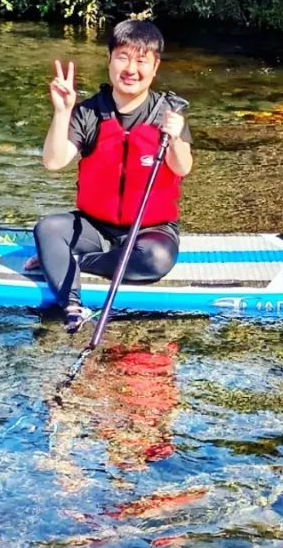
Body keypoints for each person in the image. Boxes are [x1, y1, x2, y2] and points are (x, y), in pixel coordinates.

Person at [30, 19, 193, 333]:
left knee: (155, 259)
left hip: (150, 231)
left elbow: (183, 167)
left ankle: (72, 262)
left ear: (155, 67)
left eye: (141, 60)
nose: (131, 69)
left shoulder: (168, 115)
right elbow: (53, 161)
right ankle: (72, 305)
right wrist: (63, 112)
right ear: (109, 61)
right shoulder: (90, 112)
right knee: (48, 229)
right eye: (123, 57)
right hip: (96, 226)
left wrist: (173, 138)